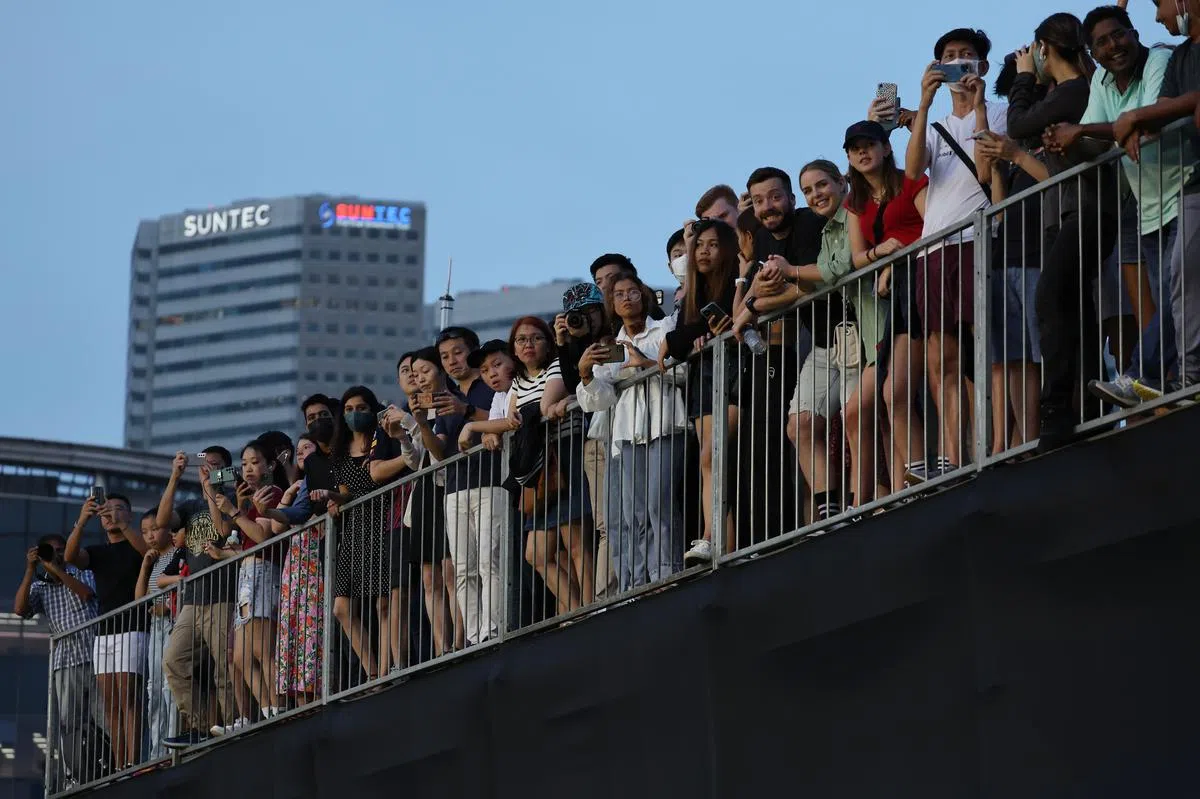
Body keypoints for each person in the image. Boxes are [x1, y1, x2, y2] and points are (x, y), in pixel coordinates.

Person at [1053, 4, 1188, 407]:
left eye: (1119, 34)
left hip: (1186, 193)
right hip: (1148, 209)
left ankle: (1140, 375)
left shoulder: (1160, 58)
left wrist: (1085, 129)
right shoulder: (1102, 84)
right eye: (1102, 43)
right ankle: (1174, 381)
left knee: (1177, 298)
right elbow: (1100, 142)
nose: (1114, 46)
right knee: (1177, 303)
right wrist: (1068, 141)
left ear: (1135, 33)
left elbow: (1142, 118)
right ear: (1092, 55)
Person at [904, 27, 1008, 473]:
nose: (959, 62)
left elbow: (987, 168)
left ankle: (995, 444)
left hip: (976, 239)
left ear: (982, 65)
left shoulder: (1000, 111)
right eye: (950, 56)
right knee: (941, 358)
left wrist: (979, 103)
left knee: (986, 349)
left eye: (967, 56)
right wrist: (923, 105)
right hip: (934, 248)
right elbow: (911, 173)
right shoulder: (936, 125)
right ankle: (952, 455)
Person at [577, 274, 687, 590]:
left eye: (633, 292)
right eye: (619, 294)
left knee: (658, 505)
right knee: (633, 514)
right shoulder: (609, 345)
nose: (626, 298)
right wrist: (585, 374)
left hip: (666, 423)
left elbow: (686, 369)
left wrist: (648, 364)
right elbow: (598, 399)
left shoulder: (665, 327)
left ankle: (665, 573)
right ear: (612, 304)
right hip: (626, 433)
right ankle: (639, 582)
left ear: (645, 296)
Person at [841, 119, 932, 492]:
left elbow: (936, 226)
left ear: (886, 148)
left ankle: (919, 471)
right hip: (893, 297)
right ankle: (904, 482)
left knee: (896, 391)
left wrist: (896, 260)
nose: (862, 152)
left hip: (924, 280)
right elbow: (858, 256)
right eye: (854, 148)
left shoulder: (911, 181)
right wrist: (884, 255)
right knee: (884, 394)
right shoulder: (855, 201)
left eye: (869, 144)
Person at [972, 56, 1049, 455]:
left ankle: (1031, 437)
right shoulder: (1018, 147)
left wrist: (1016, 154)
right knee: (1012, 356)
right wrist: (1000, 168)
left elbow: (1055, 181)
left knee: (1035, 353)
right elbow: (1000, 210)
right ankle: (1015, 441)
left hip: (1038, 252)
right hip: (1006, 253)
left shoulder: (1045, 137)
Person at [661, 218, 741, 564]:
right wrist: (686, 337)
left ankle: (716, 537)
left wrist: (689, 337)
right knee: (710, 460)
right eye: (698, 245)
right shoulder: (695, 291)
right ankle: (717, 538)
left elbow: (690, 336)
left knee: (713, 455)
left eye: (712, 244)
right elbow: (679, 340)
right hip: (702, 380)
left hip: (733, 372)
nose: (703, 251)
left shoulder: (734, 281)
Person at [508, 316, 594, 612]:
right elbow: (510, 422)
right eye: (521, 340)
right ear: (514, 349)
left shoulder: (557, 366)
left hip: (565, 454)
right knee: (536, 554)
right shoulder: (517, 382)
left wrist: (556, 405)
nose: (528, 344)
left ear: (548, 343)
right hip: (542, 467)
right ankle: (575, 608)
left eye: (536, 338)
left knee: (575, 545)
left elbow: (545, 406)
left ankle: (588, 608)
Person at [431, 326, 508, 645]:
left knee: (491, 559)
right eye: (445, 356)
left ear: (473, 352)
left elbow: (505, 416)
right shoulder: (446, 396)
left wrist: (467, 412)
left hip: (490, 481)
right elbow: (437, 450)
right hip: (455, 489)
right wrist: (421, 422)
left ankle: (495, 628)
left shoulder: (489, 384)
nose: (451, 361)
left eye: (458, 352)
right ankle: (476, 636)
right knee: (463, 568)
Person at [158, 447, 237, 750]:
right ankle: (201, 726)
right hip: (192, 599)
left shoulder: (233, 497)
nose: (209, 469)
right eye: (205, 464)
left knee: (224, 665)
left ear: (227, 470)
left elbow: (221, 532)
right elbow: (163, 523)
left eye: (216, 466)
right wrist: (175, 476)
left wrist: (211, 493)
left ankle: (231, 724)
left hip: (223, 594)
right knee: (174, 660)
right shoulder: (190, 506)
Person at [64, 493, 148, 770]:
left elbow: (146, 554)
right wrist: (82, 520)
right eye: (106, 511)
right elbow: (70, 556)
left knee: (129, 700)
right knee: (111, 705)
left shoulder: (137, 542)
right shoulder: (99, 551)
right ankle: (119, 762)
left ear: (130, 514)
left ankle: (133, 762)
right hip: (105, 632)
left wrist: (124, 525)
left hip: (133, 626)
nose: (111, 514)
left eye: (118, 509)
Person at [209, 441, 287, 733]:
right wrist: (214, 489)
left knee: (262, 650)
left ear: (269, 466)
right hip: (247, 573)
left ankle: (276, 707)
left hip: (265, 571)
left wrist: (235, 510)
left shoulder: (271, 493)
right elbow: (228, 533)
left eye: (255, 462)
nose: (249, 469)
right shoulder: (248, 499)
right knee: (239, 658)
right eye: (244, 464)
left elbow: (263, 536)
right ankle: (265, 709)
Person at [15, 534, 103, 789]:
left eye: (60, 550)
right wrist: (31, 569)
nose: (55, 555)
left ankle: (107, 768)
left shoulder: (82, 572)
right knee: (69, 723)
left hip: (96, 656)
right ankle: (71, 776)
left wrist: (55, 567)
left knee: (102, 719)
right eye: (49, 551)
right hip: (66, 662)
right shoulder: (40, 586)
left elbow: (86, 595)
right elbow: (20, 610)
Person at [318, 385, 392, 681]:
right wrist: (335, 501)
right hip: (354, 530)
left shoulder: (382, 440)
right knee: (341, 608)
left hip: (384, 520)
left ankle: (385, 670)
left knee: (383, 602)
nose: (354, 414)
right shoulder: (339, 454)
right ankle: (372, 670)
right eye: (348, 410)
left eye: (361, 408)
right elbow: (347, 494)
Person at [406, 348, 465, 654]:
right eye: (414, 374)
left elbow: (440, 451)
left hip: (449, 485)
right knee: (429, 576)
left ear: (441, 371)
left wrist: (422, 423)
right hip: (425, 488)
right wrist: (406, 432)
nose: (420, 379)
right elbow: (416, 460)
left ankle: (459, 639)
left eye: (425, 371)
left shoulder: (452, 401)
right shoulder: (416, 407)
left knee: (451, 568)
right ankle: (442, 646)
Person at [374, 354, 427, 670]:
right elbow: (376, 471)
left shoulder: (435, 407)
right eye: (405, 371)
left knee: (437, 580)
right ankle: (396, 664)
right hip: (398, 514)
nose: (412, 375)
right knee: (397, 594)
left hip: (433, 500)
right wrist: (406, 459)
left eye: (418, 369)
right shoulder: (388, 422)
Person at [272, 434, 324, 706]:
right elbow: (276, 527)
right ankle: (300, 703)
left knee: (312, 632)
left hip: (315, 567)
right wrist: (290, 492)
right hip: (295, 569)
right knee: (294, 632)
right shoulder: (299, 487)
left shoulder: (321, 480)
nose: (301, 452)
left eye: (308, 447)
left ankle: (313, 700)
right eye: (299, 449)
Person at [133, 513, 181, 759]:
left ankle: (170, 744)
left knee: (168, 687)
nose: (150, 535)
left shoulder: (177, 554)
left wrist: (168, 608)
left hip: (172, 624)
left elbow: (186, 585)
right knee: (154, 689)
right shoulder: (154, 561)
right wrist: (144, 566)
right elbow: (139, 599)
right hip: (155, 627)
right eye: (144, 531)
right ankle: (156, 751)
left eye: (154, 528)